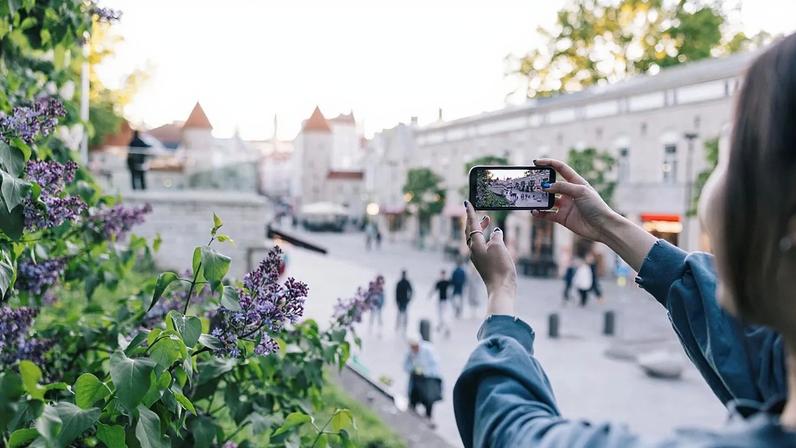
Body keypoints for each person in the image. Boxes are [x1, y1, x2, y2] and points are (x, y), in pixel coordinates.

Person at [454, 35, 796, 447]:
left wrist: (501, 293)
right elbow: (731, 331)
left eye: (726, 155)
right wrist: (608, 226)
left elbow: (510, 431)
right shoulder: (778, 366)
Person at [404, 334, 442, 427]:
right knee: (413, 397)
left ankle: (429, 417)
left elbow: (435, 364)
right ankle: (413, 416)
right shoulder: (410, 352)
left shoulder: (428, 350)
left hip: (428, 378)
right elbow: (406, 365)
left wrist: (425, 371)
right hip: (416, 378)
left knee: (428, 399)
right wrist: (413, 370)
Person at [429, 270, 451, 336]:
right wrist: (430, 294)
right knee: (440, 315)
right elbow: (434, 289)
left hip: (444, 301)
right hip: (441, 300)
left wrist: (430, 294)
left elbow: (434, 289)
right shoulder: (443, 282)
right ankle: (440, 326)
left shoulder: (445, 282)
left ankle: (446, 328)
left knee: (442, 315)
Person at [395, 270, 413, 335]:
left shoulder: (406, 282)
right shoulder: (400, 282)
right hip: (401, 300)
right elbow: (396, 292)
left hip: (404, 300)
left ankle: (404, 326)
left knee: (404, 314)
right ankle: (399, 325)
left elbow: (411, 291)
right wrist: (397, 300)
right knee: (400, 314)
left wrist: (409, 299)